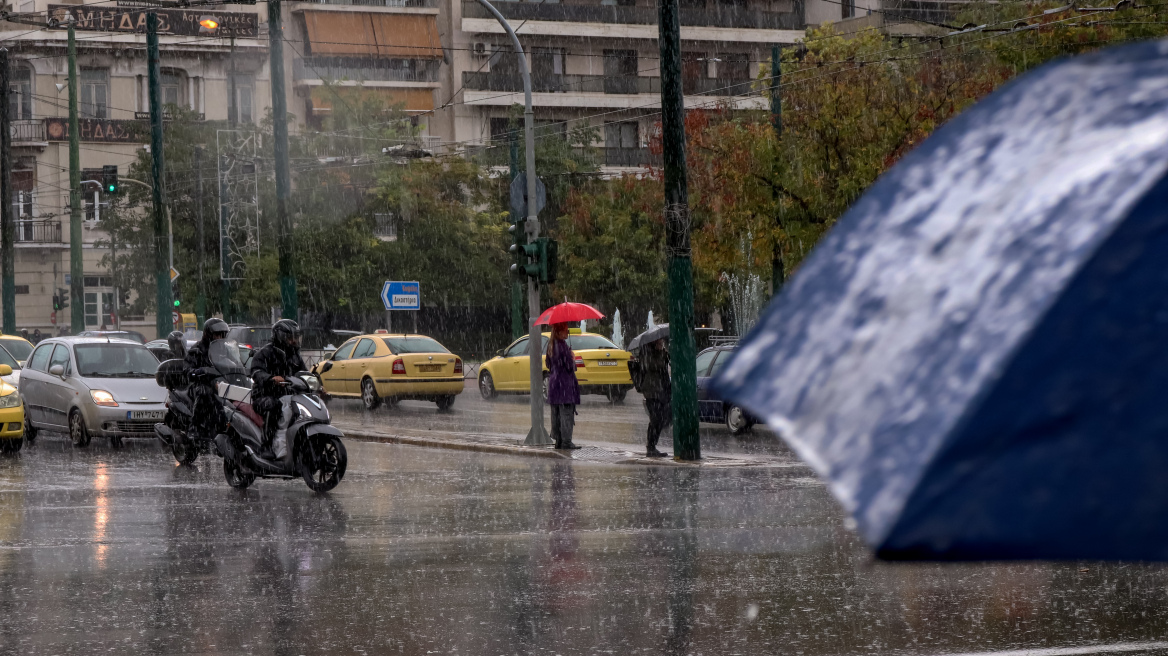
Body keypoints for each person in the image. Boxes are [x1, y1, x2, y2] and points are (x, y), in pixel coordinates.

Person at [250, 319, 305, 460]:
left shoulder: (295, 356)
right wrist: (270, 378)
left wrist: (317, 384)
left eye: (296, 337)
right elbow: (256, 371)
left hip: (289, 396)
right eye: (290, 337)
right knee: (273, 407)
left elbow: (305, 373)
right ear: (280, 337)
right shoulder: (265, 353)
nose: (294, 341)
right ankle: (266, 446)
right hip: (264, 395)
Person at [184, 318, 230, 443]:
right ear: (208, 334)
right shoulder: (197, 349)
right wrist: (200, 371)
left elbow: (234, 364)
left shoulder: (225, 350)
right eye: (217, 334)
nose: (219, 338)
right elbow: (187, 370)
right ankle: (195, 428)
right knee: (204, 392)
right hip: (199, 384)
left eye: (222, 335)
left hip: (220, 385)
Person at [545, 322, 581, 450]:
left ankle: (559, 441)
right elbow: (569, 367)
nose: (567, 332)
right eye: (566, 330)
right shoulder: (562, 346)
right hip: (564, 384)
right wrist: (572, 358)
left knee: (557, 413)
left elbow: (548, 364)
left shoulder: (551, 345)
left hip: (554, 384)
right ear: (559, 332)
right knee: (566, 413)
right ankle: (566, 442)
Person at [640, 338, 671, 457]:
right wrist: (661, 354)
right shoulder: (647, 353)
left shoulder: (662, 354)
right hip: (651, 391)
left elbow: (664, 367)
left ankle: (653, 446)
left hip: (662, 390)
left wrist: (664, 354)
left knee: (660, 420)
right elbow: (653, 366)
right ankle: (650, 447)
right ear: (653, 343)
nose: (661, 344)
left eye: (662, 342)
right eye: (659, 342)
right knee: (655, 419)